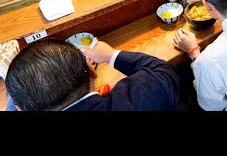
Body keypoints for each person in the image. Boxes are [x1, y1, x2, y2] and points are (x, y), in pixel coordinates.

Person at [5, 38, 180, 111]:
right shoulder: (146, 95)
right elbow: (161, 71)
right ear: (91, 71)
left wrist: (18, 91)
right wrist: (111, 55)